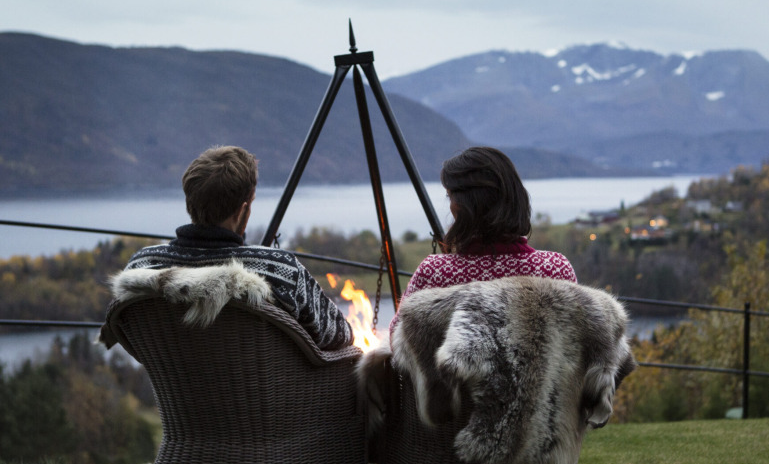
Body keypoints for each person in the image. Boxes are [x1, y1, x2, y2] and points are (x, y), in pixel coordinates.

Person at [124, 145, 353, 350]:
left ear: (190, 202)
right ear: (242, 211)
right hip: (271, 395)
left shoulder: (142, 268)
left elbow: (128, 335)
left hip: (177, 395)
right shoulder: (282, 273)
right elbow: (340, 336)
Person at [391, 146, 576, 329]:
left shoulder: (435, 273)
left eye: (450, 197)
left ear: (463, 206)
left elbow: (397, 339)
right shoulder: (555, 269)